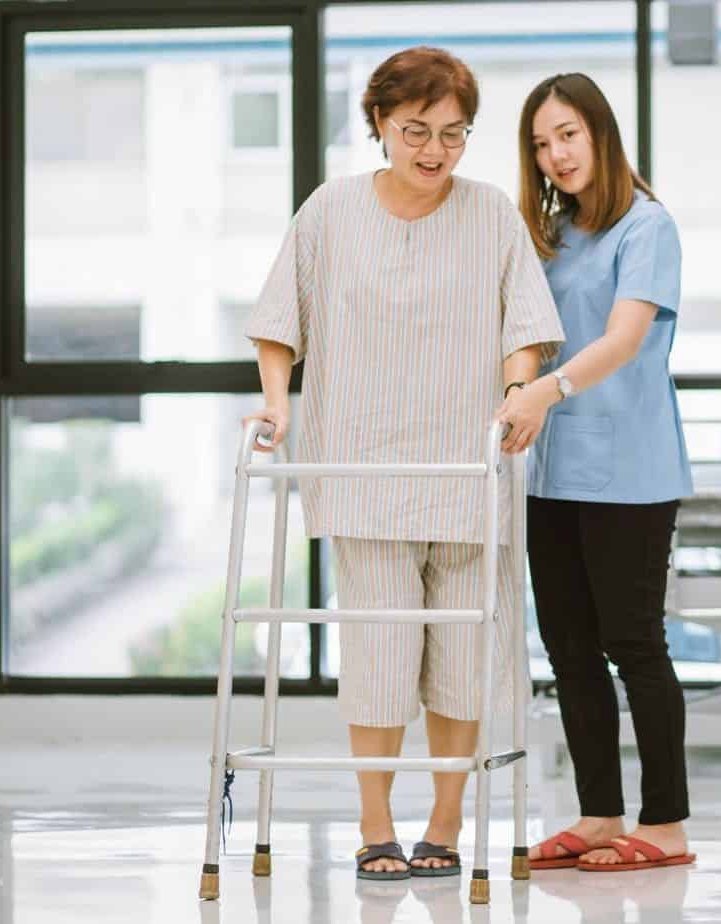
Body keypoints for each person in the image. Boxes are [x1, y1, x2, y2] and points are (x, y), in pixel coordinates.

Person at [242, 47, 564, 881]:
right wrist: (277, 402)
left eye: (452, 134)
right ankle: (375, 823)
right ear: (379, 125)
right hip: (363, 471)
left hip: (466, 467)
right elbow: (282, 321)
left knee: (463, 662)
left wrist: (516, 391)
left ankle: (447, 822)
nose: (433, 150)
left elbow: (524, 326)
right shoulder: (329, 212)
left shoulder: (491, 213)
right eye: (415, 130)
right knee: (381, 657)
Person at [493, 72, 695, 873]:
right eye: (541, 144)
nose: (554, 156)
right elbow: (529, 331)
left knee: (632, 643)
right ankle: (600, 813)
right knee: (569, 647)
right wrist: (520, 389)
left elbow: (621, 340)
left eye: (566, 135)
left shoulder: (647, 226)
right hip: (552, 466)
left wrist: (543, 389)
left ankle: (667, 824)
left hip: (629, 469)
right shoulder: (552, 233)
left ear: (600, 133)